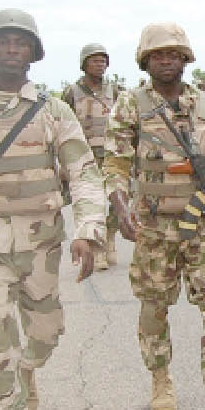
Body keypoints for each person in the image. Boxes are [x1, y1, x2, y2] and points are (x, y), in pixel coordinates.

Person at [0, 8, 107, 410]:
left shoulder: (52, 111)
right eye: (4, 42)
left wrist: (88, 230)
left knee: (46, 335)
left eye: (21, 42)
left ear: (33, 53)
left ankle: (28, 371)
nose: (12, 49)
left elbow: (83, 173)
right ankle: (7, 398)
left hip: (41, 241)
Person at [102, 22, 205, 410]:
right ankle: (160, 382)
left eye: (173, 54)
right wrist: (119, 206)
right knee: (153, 309)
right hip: (154, 227)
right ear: (146, 61)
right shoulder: (131, 105)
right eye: (158, 54)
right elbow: (115, 162)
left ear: (185, 59)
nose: (166, 60)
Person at [62, 43, 124, 270]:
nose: (99, 65)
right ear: (84, 64)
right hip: (83, 158)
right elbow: (61, 126)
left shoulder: (115, 91)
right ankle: (97, 250)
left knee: (119, 201)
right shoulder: (71, 92)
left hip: (112, 155)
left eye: (103, 60)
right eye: (94, 60)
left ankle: (109, 237)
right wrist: (62, 163)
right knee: (91, 204)